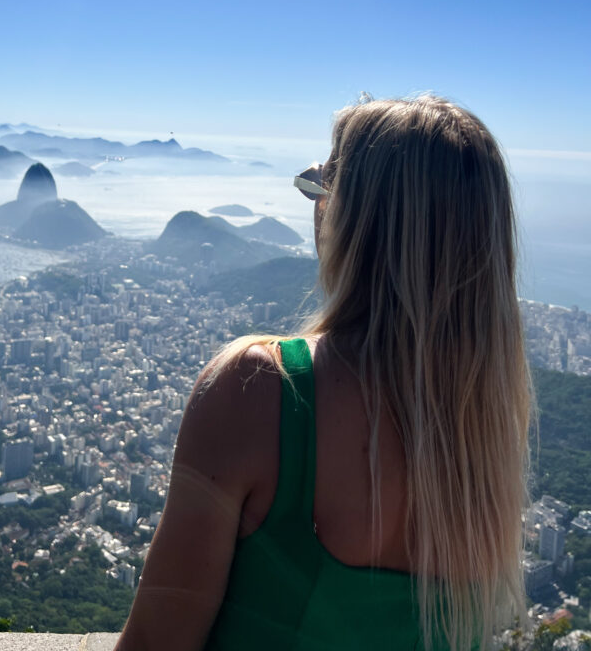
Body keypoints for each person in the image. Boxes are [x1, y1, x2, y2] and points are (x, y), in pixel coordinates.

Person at [114, 95, 532, 651]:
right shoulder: (485, 429)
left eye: (323, 190)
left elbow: (154, 644)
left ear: (356, 222)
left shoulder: (260, 390)